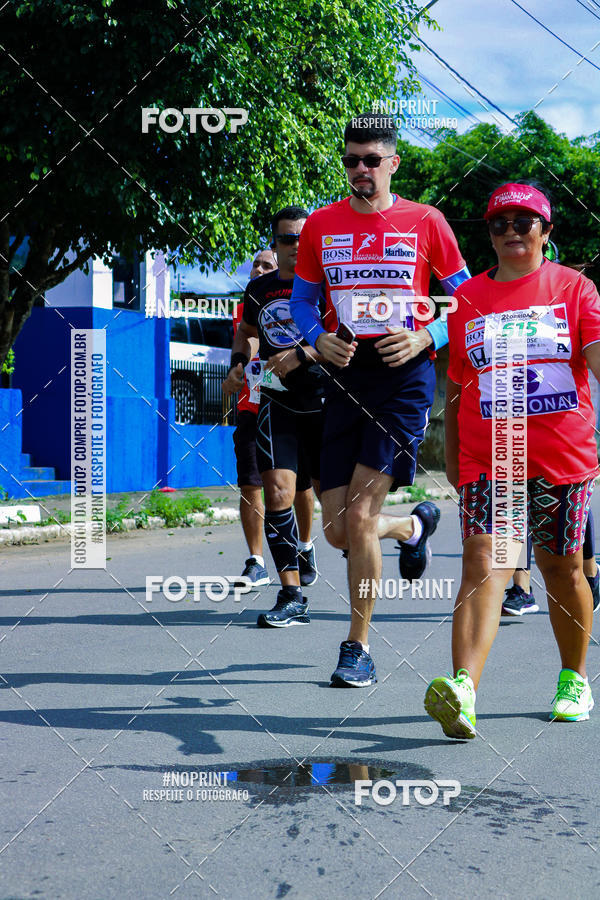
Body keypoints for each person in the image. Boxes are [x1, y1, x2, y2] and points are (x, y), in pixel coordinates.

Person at [290, 114, 470, 686]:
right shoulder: (321, 225)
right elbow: (299, 304)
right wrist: (315, 339)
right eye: (351, 160)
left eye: (371, 160)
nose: (360, 170)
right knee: (341, 531)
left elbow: (466, 298)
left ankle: (356, 645)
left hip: (403, 375)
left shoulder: (426, 221)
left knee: (362, 517)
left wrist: (428, 335)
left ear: (393, 162)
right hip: (345, 373)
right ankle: (413, 529)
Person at [426, 180, 600, 738]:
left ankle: (573, 676)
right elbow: (456, 388)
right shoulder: (468, 299)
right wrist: (454, 459)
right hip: (491, 459)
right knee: (485, 564)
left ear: (546, 232)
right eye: (498, 224)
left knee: (560, 569)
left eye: (522, 222)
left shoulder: (576, 290)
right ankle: (463, 691)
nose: (509, 232)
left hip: (562, 457)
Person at [225, 206, 324, 626]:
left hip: (325, 403)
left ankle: (409, 529)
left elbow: (346, 336)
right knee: (277, 493)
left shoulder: (327, 287)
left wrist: (301, 355)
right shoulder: (260, 288)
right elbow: (246, 331)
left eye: (303, 238)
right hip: (276, 402)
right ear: (275, 243)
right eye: (287, 239)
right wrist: (235, 363)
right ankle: (291, 593)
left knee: (339, 516)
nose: (295, 246)